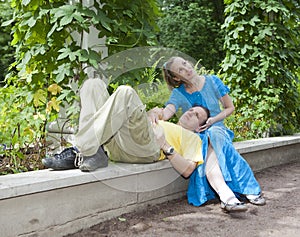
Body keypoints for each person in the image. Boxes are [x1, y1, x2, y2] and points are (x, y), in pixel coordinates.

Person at [43, 78, 249, 212]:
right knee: (92, 85)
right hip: (120, 141)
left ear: (200, 127)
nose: (190, 112)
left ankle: (80, 149)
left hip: (148, 147)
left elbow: (187, 170)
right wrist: (150, 114)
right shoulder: (164, 120)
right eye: (191, 110)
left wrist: (165, 144)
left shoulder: (193, 139)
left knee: (125, 92)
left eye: (197, 116)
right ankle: (94, 151)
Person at [151, 56, 266, 206]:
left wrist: (214, 120)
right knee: (202, 141)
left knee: (213, 134)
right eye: (180, 70)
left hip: (218, 129)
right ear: (175, 78)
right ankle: (238, 192)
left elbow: (229, 107)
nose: (187, 69)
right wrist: (155, 113)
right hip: (197, 134)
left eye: (185, 64)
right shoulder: (178, 93)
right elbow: (167, 113)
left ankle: (237, 192)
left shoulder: (212, 81)